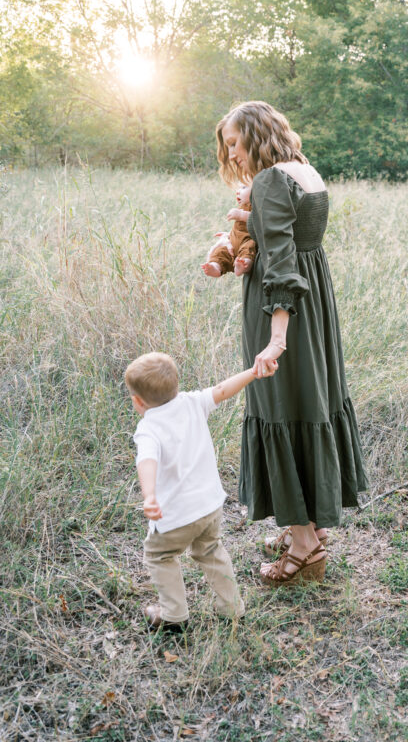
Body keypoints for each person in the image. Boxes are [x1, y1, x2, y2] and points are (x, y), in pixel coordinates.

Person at [215, 100, 368, 587]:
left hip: (283, 311)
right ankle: (310, 523)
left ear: (257, 136)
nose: (233, 154)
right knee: (311, 402)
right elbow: (293, 243)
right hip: (315, 306)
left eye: (236, 144)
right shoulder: (304, 170)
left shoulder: (270, 180)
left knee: (282, 407)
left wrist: (276, 338)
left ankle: (305, 549)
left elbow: (280, 261)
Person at [127, 351, 267, 629]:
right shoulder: (192, 402)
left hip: (175, 516)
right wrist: (253, 372)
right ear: (177, 386)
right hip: (209, 506)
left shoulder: (148, 428)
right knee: (211, 550)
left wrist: (150, 495)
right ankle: (231, 608)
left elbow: (147, 460)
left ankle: (173, 616)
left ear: (137, 402)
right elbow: (222, 389)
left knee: (160, 556)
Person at [202, 183, 255, 278]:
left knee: (249, 250)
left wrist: (242, 215)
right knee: (221, 252)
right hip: (234, 240)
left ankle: (243, 266)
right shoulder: (243, 205)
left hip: (247, 240)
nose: (238, 191)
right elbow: (240, 229)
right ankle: (215, 267)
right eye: (238, 187)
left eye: (243, 187)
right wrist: (229, 234)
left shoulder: (258, 205)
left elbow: (262, 220)